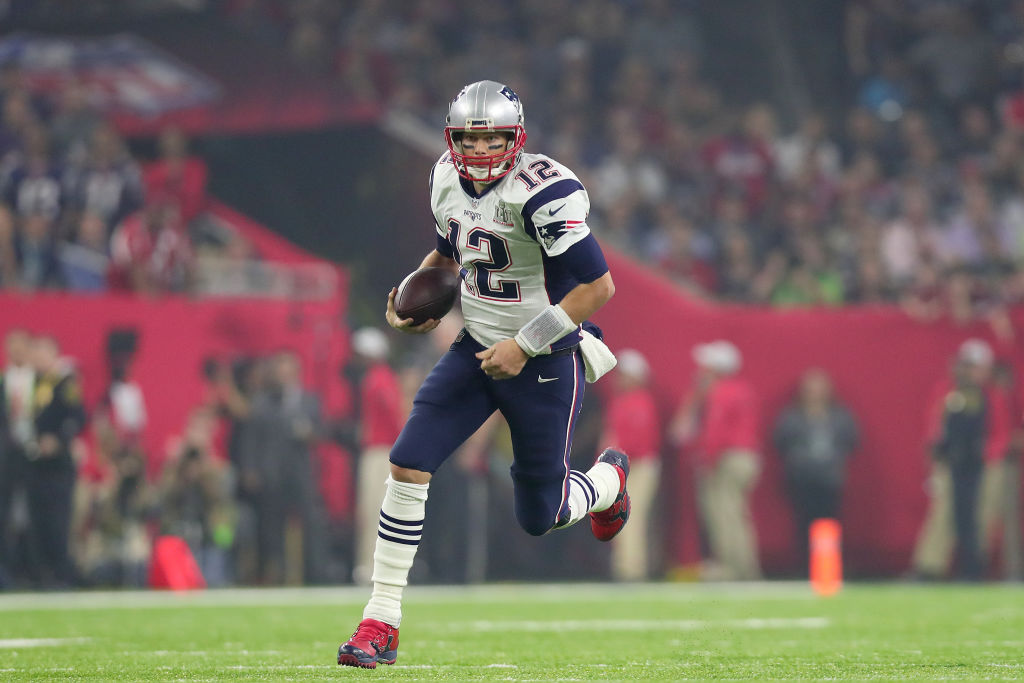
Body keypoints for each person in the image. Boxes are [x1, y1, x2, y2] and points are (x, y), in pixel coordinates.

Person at [337, 80, 628, 668]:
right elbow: (446, 259)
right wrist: (406, 300)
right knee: (406, 461)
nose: (479, 149)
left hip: (542, 360)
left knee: (538, 516)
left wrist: (525, 344)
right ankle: (380, 619)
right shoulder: (445, 176)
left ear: (515, 138)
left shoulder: (542, 192)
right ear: (453, 140)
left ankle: (607, 484)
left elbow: (599, 287)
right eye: (469, 138)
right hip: (475, 348)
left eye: (492, 136)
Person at [671, 339, 761, 581]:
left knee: (724, 514)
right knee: (735, 513)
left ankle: (734, 568)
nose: (700, 370)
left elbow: (715, 430)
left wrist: (707, 459)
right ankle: (743, 567)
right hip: (742, 456)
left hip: (727, 458)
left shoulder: (723, 391)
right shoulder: (740, 389)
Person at [773, 368, 859, 571]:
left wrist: (835, 457)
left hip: (830, 477)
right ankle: (805, 564)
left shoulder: (839, 415)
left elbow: (852, 438)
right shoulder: (793, 415)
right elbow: (780, 439)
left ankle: (829, 565)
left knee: (829, 523)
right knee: (804, 522)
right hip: (801, 476)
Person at [348, 327, 403, 584]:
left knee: (375, 510)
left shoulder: (377, 379)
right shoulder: (382, 377)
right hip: (380, 450)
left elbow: (393, 414)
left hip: (380, 452)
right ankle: (376, 565)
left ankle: (373, 566)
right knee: (376, 510)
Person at [602, 349, 662, 581]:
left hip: (639, 466)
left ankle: (632, 570)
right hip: (623, 467)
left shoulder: (641, 402)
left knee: (629, 516)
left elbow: (636, 443)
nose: (620, 379)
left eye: (625, 374)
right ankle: (625, 567)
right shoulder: (621, 401)